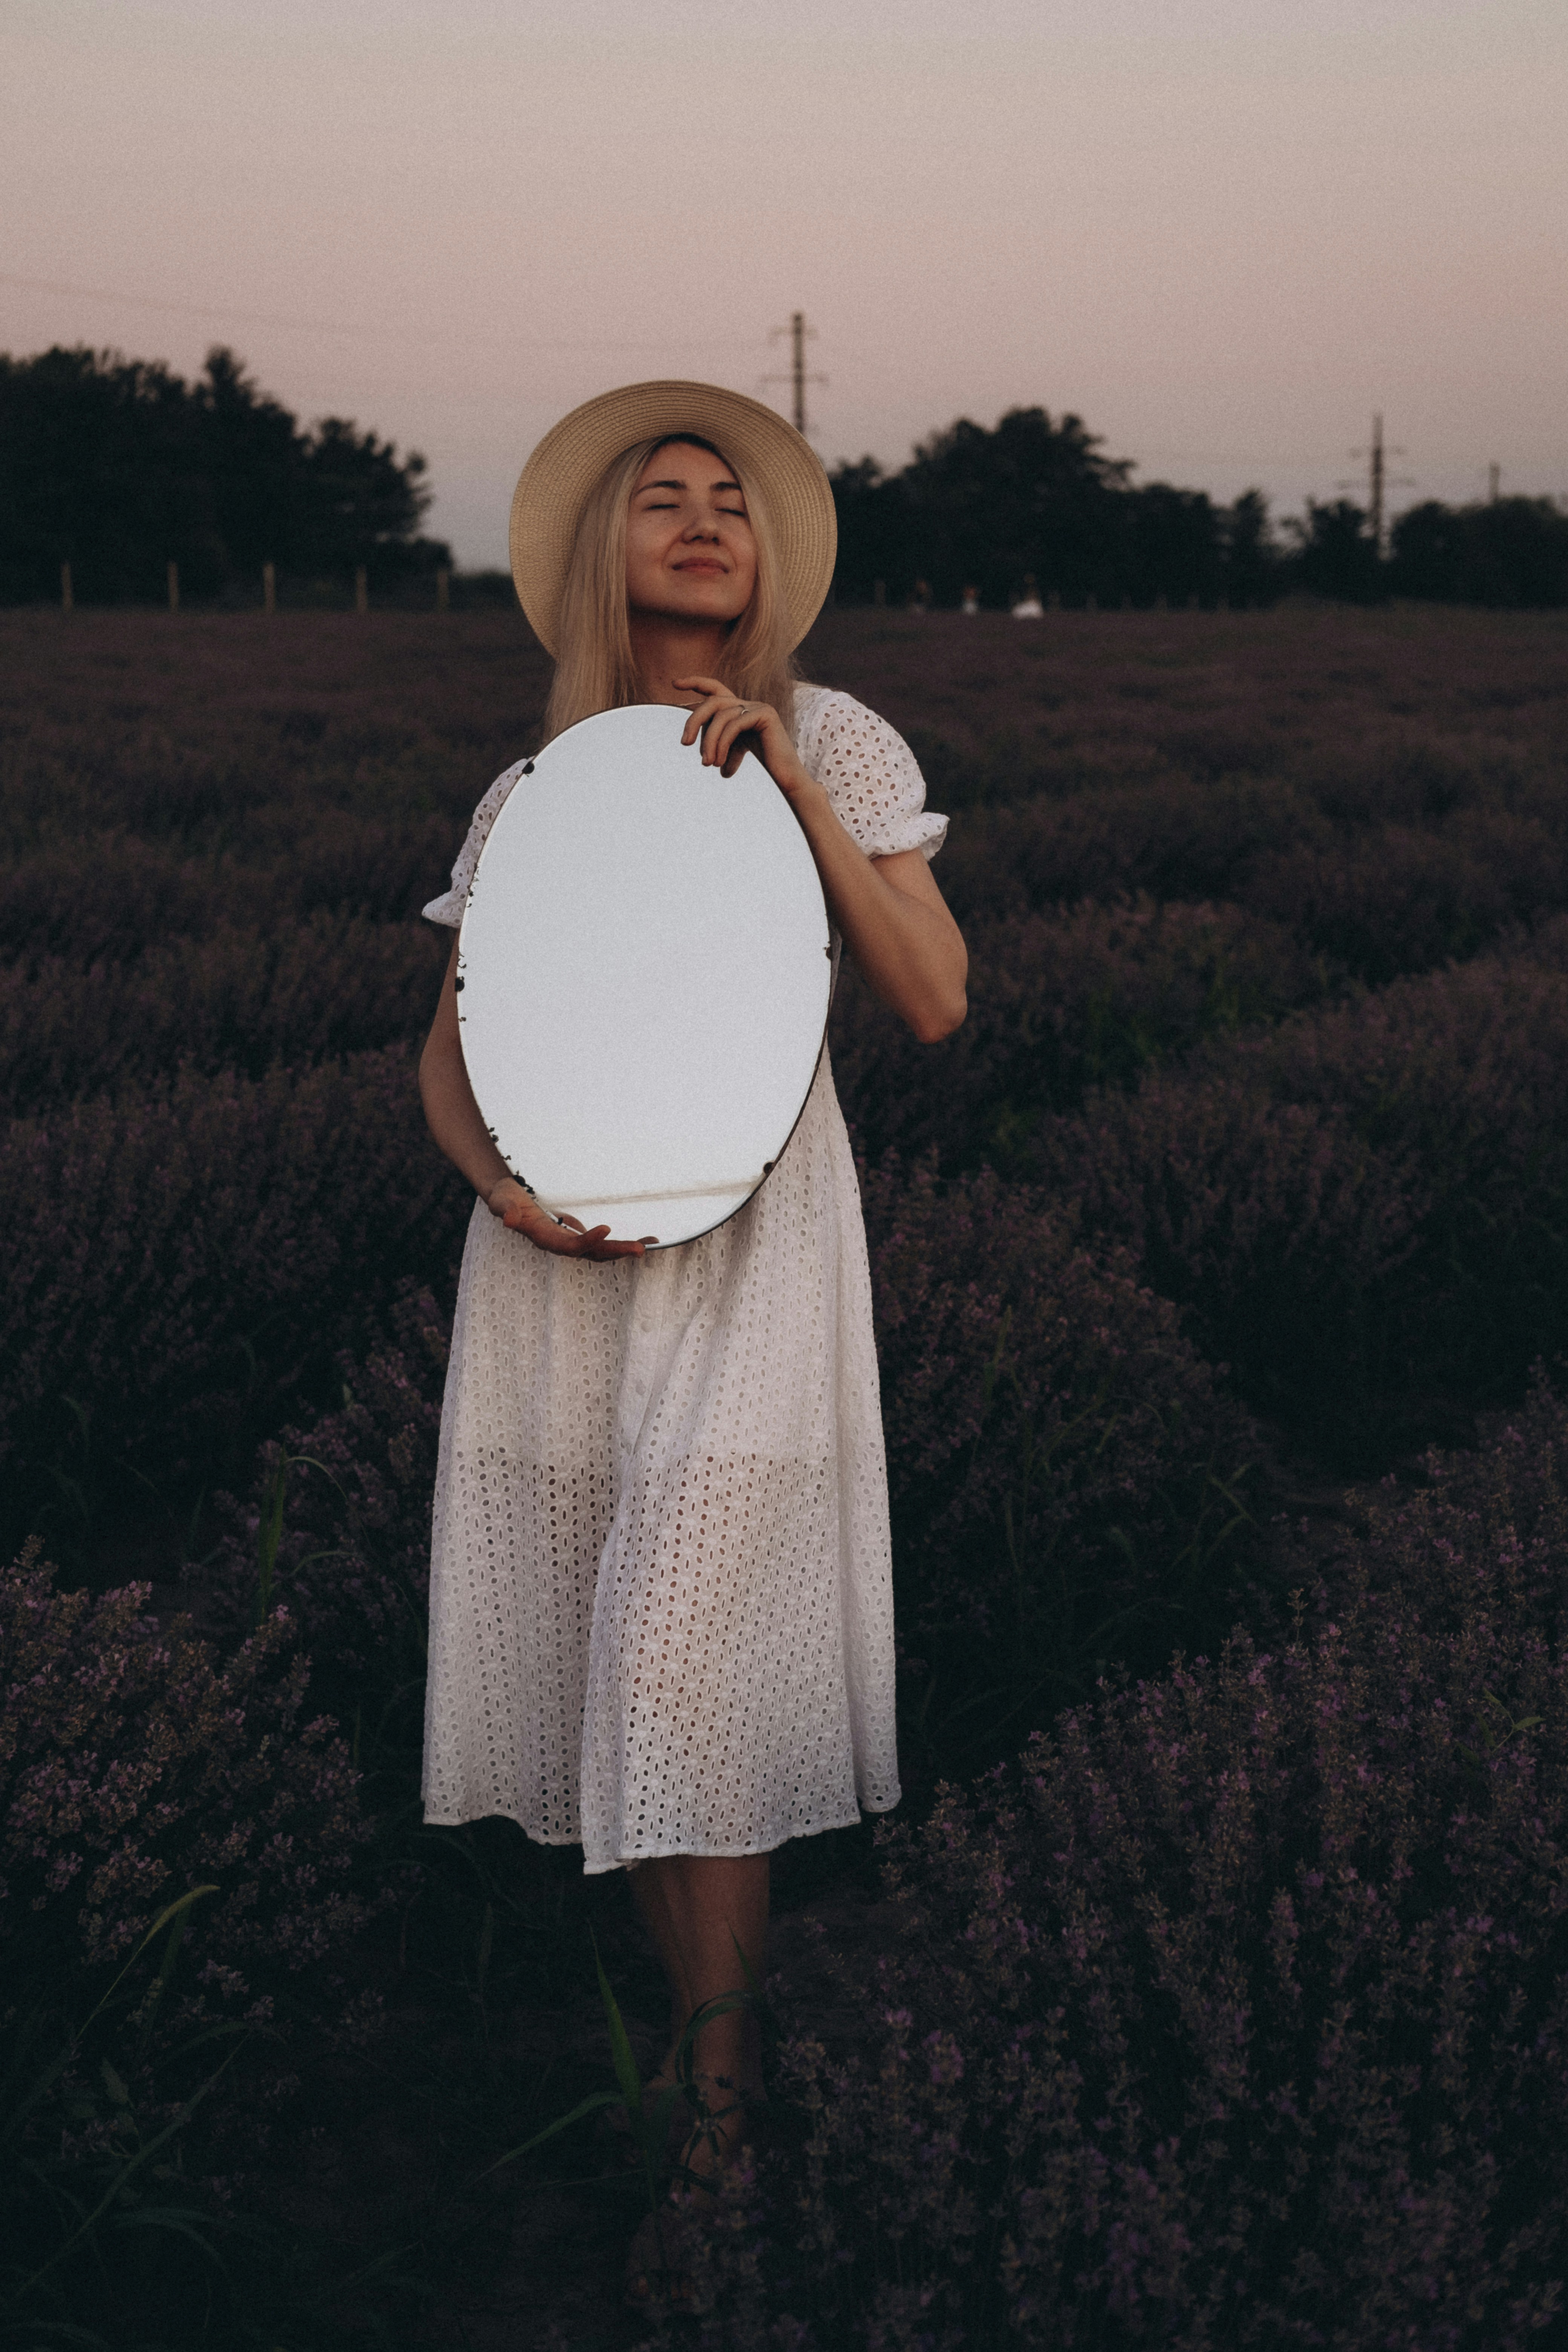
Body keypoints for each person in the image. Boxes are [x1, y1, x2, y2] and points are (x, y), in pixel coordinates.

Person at [416, 381, 968, 2309]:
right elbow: (450, 1042)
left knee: (676, 1639)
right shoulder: (543, 782)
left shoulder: (837, 732)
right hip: (566, 1260)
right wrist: (498, 1184)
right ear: (609, 554)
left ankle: (717, 2111)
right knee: (618, 1654)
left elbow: (933, 997)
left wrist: (797, 790)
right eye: (662, 496)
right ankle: (697, 2057)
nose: (702, 516)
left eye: (729, 496)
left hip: (753, 1248)